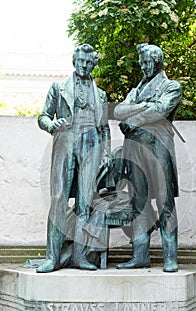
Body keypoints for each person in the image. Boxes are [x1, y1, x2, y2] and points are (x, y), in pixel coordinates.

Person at [37, 44, 111, 272]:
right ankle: (52, 257)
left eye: (89, 63)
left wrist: (106, 152)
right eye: (81, 62)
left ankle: (79, 256)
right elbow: (43, 116)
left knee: (85, 202)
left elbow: (105, 128)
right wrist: (52, 124)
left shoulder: (100, 95)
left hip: (91, 144)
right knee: (59, 198)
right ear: (74, 61)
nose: (85, 66)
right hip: (65, 141)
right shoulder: (59, 88)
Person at [114, 43, 182, 272]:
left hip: (158, 146)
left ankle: (170, 257)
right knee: (138, 203)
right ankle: (140, 255)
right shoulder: (137, 89)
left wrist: (134, 119)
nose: (143, 66)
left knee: (164, 202)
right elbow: (119, 111)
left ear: (157, 61)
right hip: (134, 149)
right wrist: (144, 105)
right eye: (141, 62)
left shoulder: (172, 86)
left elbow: (161, 109)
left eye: (147, 62)